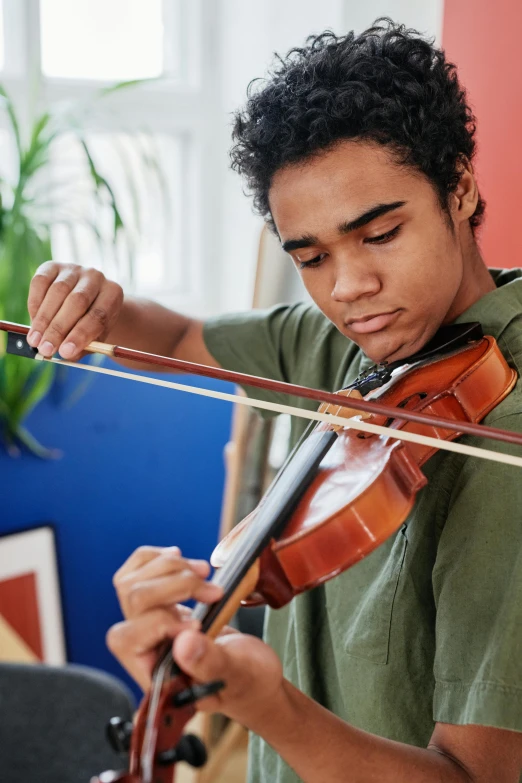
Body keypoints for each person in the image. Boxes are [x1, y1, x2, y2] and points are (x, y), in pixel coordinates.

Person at [26, 19, 522, 783]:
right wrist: (97, 304)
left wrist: (270, 708)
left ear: (459, 187)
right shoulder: (344, 349)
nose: (349, 288)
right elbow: (182, 334)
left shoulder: (506, 442)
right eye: (313, 257)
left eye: (381, 233)